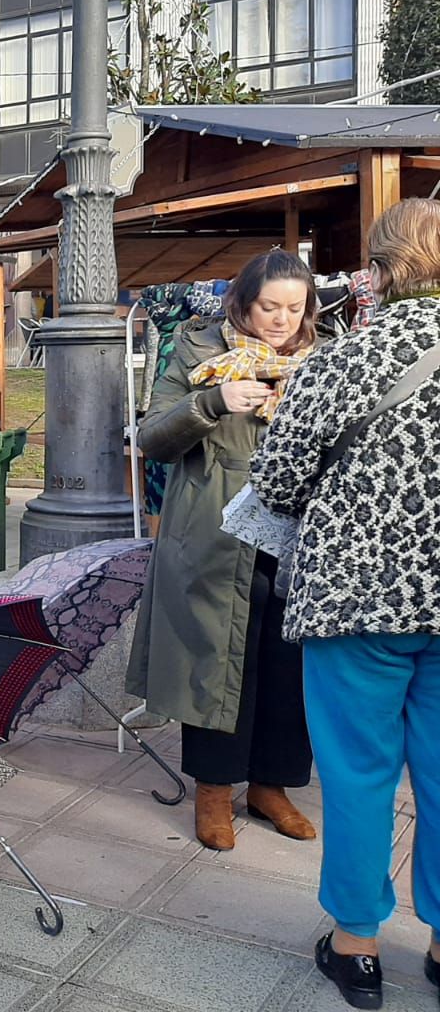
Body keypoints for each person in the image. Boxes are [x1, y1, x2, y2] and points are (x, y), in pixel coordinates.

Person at [251, 199, 440, 1010]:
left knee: (358, 773)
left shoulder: (343, 361)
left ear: (384, 269)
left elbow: (278, 480)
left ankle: (357, 947)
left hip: (354, 597)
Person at [126, 250, 318, 852]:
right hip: (214, 527)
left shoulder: (325, 357)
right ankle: (212, 790)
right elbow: (151, 438)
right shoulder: (199, 347)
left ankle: (271, 785)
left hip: (294, 531)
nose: (282, 320)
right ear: (242, 300)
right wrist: (211, 403)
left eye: (295, 307)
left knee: (287, 663)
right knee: (214, 655)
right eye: (270, 306)